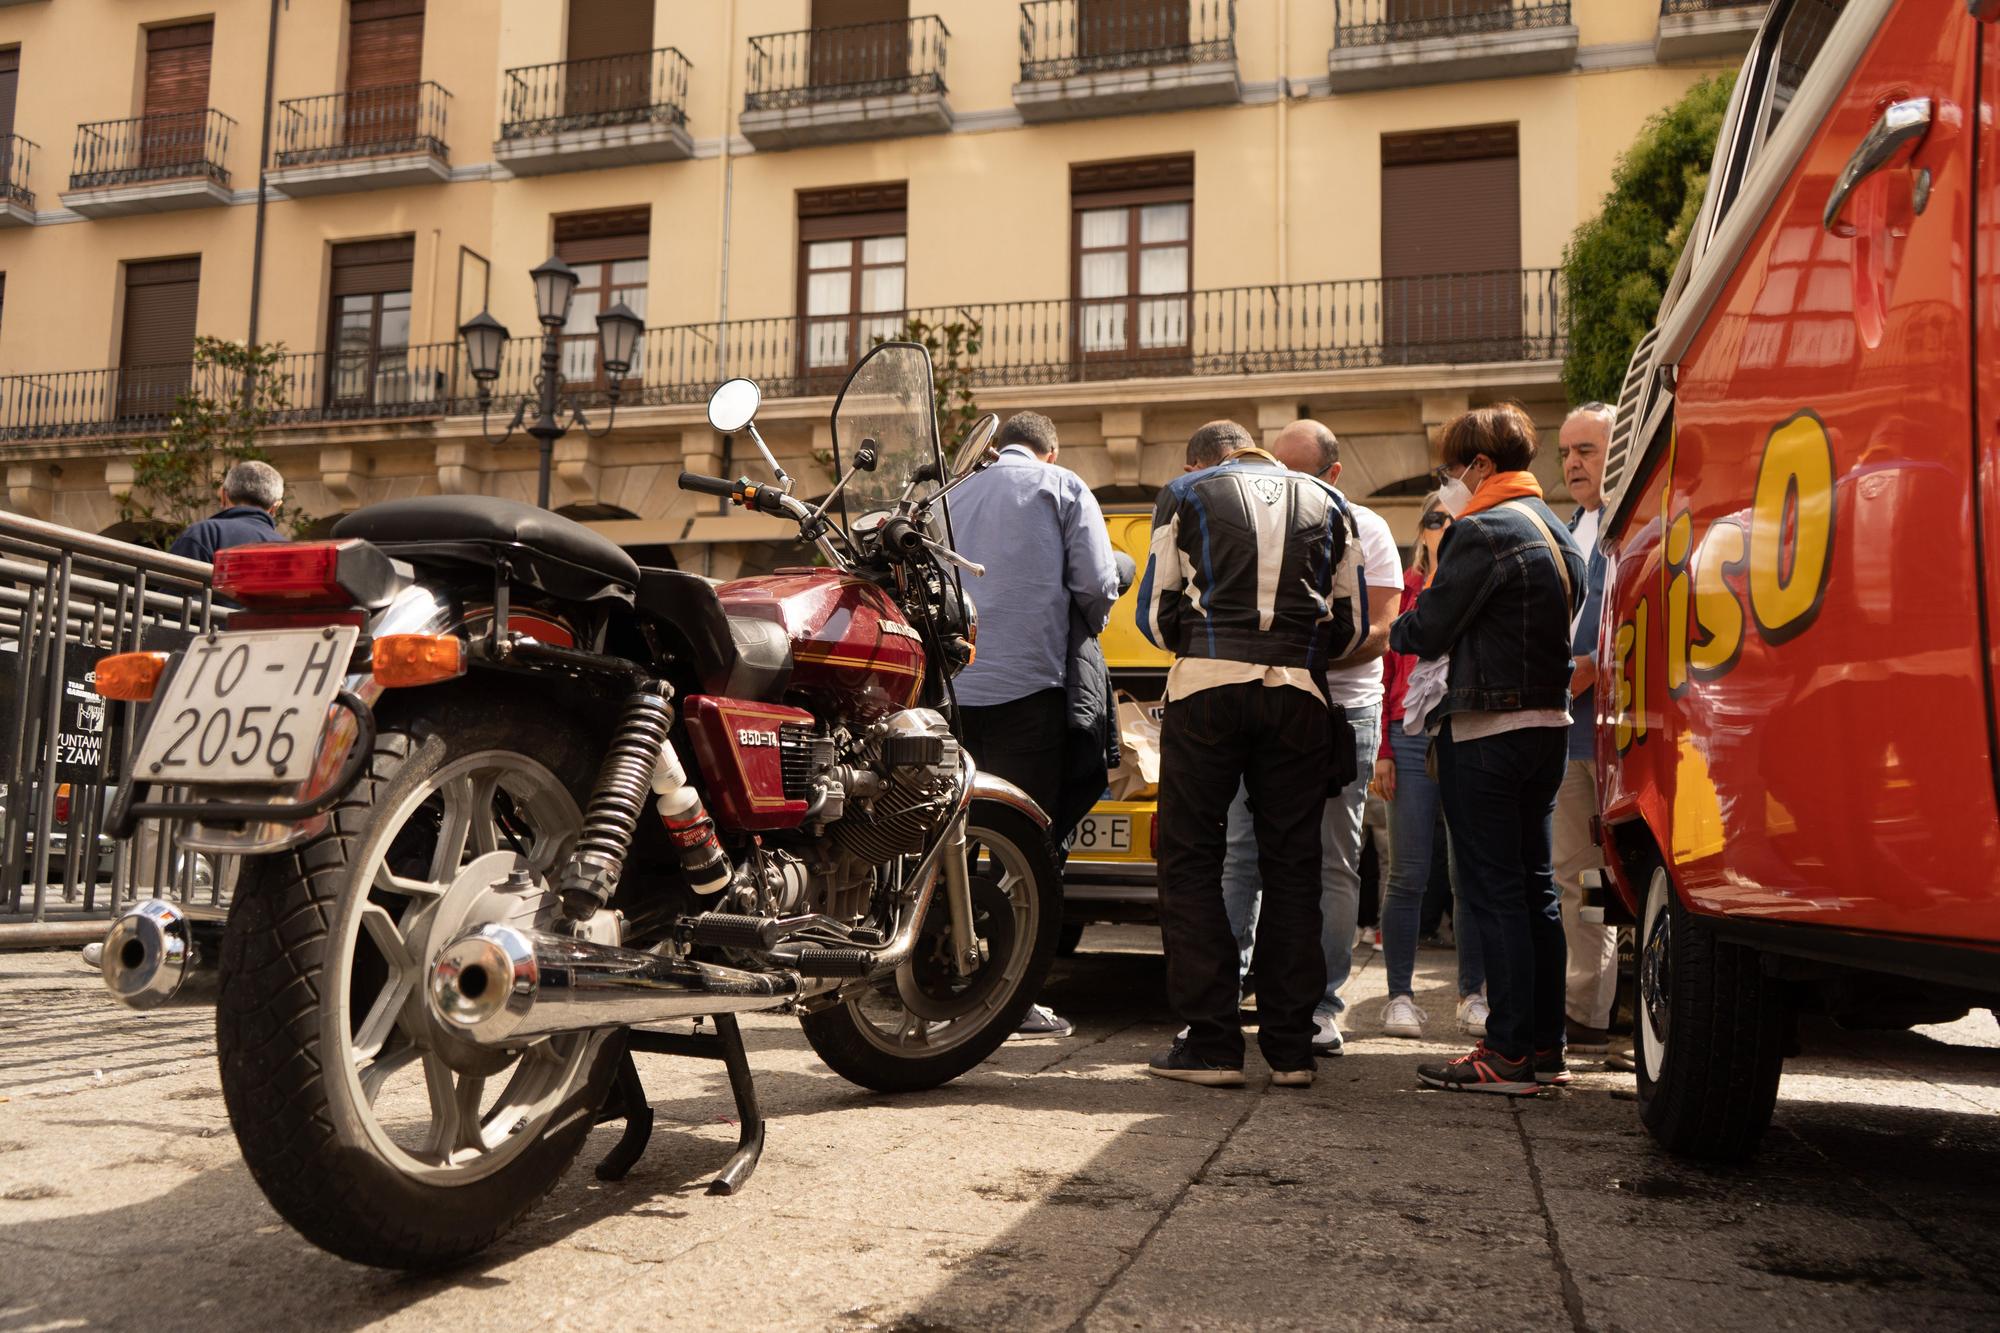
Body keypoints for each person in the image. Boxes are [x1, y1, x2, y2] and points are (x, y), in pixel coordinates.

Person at [1137, 420, 1351, 1088]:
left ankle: (1212, 1043)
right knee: (1294, 862)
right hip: (1298, 691)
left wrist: (1207, 639)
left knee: (1191, 856)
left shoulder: (1186, 492)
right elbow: (1346, 622)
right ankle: (1291, 1049)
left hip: (1206, 685)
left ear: (1202, 457)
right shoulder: (1328, 500)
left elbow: (1153, 614)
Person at [1390, 404, 1583, 1095]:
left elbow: (1430, 626)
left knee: (1496, 890)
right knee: (1536, 892)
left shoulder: (1481, 530)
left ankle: (1504, 1054)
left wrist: (1400, 622)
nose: (1447, 482)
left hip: (1486, 731)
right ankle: (1545, 1047)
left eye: (1452, 468)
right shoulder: (1558, 529)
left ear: (1479, 466)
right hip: (1548, 728)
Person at [1214, 420, 1400, 1057]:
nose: (1284, 485)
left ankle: (1323, 1005)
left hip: (1339, 713)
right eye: (1276, 471)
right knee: (1241, 851)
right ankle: (1222, 1002)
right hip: (1261, 705)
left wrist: (1294, 659)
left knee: (1330, 860)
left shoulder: (1368, 528)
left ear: (1334, 476)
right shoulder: (1252, 527)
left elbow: (1380, 630)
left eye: (1301, 473)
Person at [946, 411, 1119, 1041]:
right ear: (1051, 450)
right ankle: (1016, 999)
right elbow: (1098, 584)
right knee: (1031, 847)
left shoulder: (950, 491)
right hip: (1031, 688)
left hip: (954, 693)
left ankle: (947, 977)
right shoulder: (1064, 487)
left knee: (951, 839)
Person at [1376, 492, 1488, 1039]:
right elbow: (1382, 673)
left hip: (1465, 729)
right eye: (1435, 519)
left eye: (1454, 519)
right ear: (1421, 529)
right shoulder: (1406, 587)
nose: (1444, 527)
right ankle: (1398, 996)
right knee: (1408, 874)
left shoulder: (1479, 580)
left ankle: (1474, 995)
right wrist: (1382, 750)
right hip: (1409, 734)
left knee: (1469, 873)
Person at [1552, 403, 1617, 1055]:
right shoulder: (1572, 527)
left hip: (1626, 733)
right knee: (1581, 874)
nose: (1572, 462)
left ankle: (1600, 1001)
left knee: (1625, 876)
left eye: (1587, 450)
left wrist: (1598, 663)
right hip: (1572, 732)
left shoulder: (1636, 522)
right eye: (1567, 451)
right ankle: (1588, 1005)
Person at [168, 460, 288, 563]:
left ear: (223, 495)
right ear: (275, 507)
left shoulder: (204, 534)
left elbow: (172, 588)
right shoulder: (289, 551)